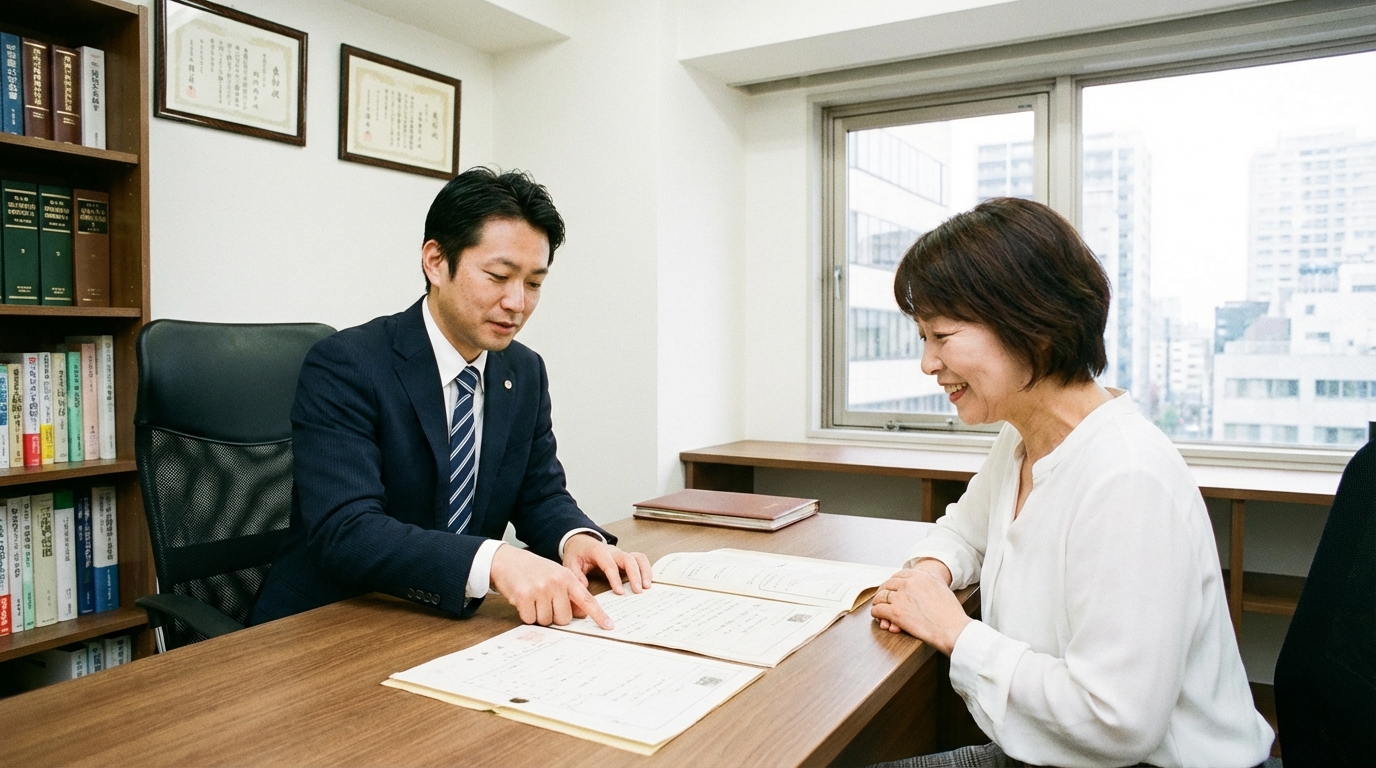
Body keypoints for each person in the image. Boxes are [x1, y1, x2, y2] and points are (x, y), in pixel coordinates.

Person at [868, 198, 1273, 768]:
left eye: (941, 335)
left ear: (1030, 326)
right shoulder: (1024, 436)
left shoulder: (1126, 477)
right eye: (923, 338)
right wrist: (930, 577)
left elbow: (1116, 721)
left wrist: (956, 632)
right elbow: (963, 530)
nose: (928, 363)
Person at [251, 168, 650, 630]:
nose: (517, 302)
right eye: (498, 276)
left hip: (444, 622)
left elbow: (538, 493)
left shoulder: (523, 370)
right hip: (332, 623)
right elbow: (346, 530)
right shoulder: (346, 364)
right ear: (436, 262)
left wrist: (575, 540)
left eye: (534, 283)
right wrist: (496, 560)